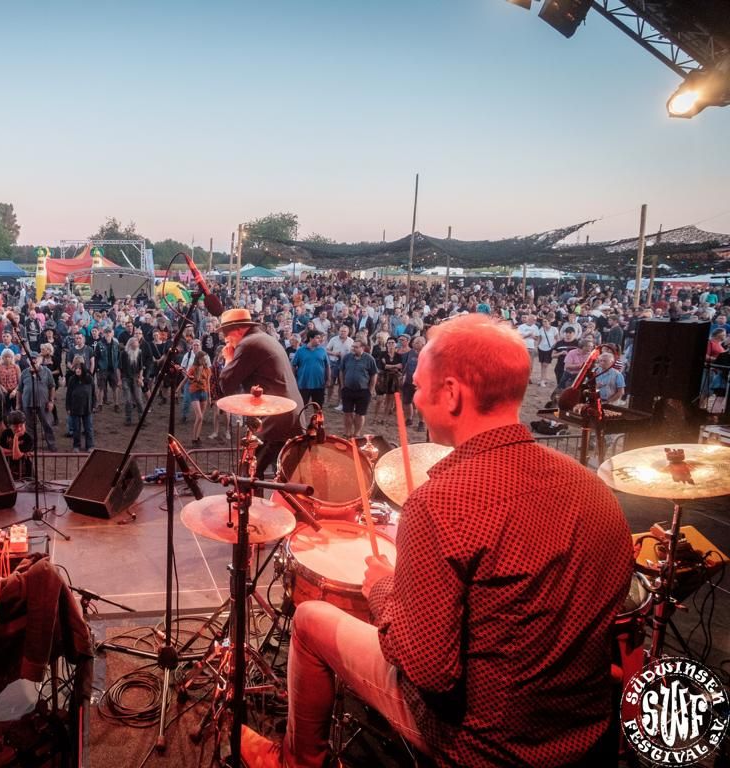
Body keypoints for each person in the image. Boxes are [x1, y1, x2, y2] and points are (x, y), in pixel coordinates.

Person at [240, 313, 634, 768]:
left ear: (451, 393)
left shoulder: (441, 503)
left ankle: (295, 760)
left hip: (480, 743)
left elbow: (428, 670)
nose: (416, 400)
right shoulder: (592, 488)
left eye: (419, 387)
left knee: (311, 619)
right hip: (582, 732)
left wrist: (382, 588)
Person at [217, 308, 302, 474]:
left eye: (227, 333)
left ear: (239, 329)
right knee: (284, 477)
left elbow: (225, 385)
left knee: (248, 474)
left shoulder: (248, 344)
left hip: (275, 421)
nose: (226, 339)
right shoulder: (265, 339)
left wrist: (229, 359)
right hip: (289, 415)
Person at [339, 339, 378, 438]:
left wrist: (370, 390)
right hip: (348, 390)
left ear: (362, 348)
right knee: (347, 412)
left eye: (356, 347)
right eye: (353, 346)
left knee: (360, 414)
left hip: (363, 391)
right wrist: (342, 385)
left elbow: (374, 375)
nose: (353, 349)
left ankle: (356, 433)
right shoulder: (347, 357)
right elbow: (341, 371)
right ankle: (347, 432)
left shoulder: (369, 359)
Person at [291, 329, 329, 406]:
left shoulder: (322, 350)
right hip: (303, 384)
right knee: (302, 406)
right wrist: (293, 379)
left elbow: (327, 366)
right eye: (317, 338)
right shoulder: (300, 351)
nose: (320, 340)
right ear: (311, 339)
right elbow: (293, 365)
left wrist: (328, 379)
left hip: (319, 384)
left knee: (318, 407)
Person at [65, 357, 96, 452]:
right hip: (75, 408)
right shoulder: (72, 380)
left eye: (79, 368)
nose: (77, 370)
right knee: (76, 428)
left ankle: (90, 446)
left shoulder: (89, 379)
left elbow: (93, 393)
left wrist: (94, 405)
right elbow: (68, 394)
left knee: (88, 428)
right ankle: (76, 445)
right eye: (76, 369)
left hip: (87, 407)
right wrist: (68, 407)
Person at [0, 409, 34, 480]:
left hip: (25, 470)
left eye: (21, 425)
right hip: (8, 468)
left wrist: (16, 437)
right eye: (15, 426)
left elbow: (16, 456)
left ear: (25, 423)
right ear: (9, 426)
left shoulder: (28, 438)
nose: (19, 429)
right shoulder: (6, 433)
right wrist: (13, 452)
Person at [186, 349, 211, 445]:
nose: (204, 360)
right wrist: (193, 378)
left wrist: (209, 396)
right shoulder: (193, 368)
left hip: (204, 392)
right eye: (203, 359)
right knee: (199, 416)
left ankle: (197, 437)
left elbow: (208, 383)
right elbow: (188, 380)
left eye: (205, 359)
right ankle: (193, 437)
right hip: (194, 392)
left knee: (201, 417)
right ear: (199, 359)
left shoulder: (207, 369)